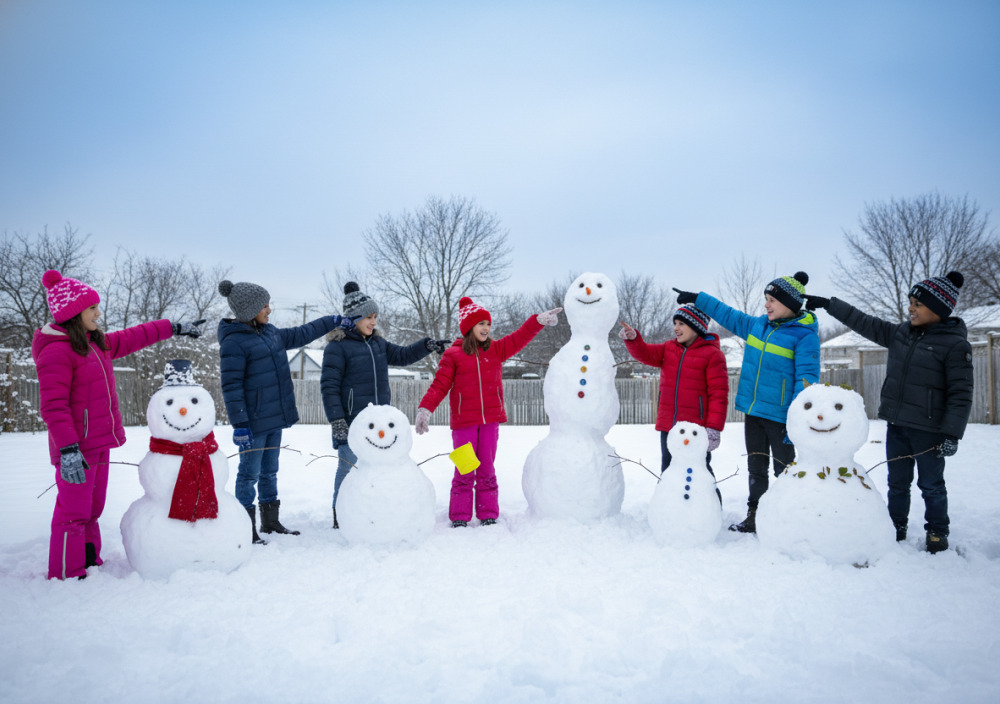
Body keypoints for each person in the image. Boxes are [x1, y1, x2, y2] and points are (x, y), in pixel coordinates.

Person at [32, 269, 204, 580]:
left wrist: (173, 327)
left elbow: (134, 336)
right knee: (72, 512)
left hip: (98, 442)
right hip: (76, 448)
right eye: (92, 308)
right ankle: (66, 573)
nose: (98, 313)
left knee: (92, 508)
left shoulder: (95, 344)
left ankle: (87, 559)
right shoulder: (56, 352)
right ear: (73, 313)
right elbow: (53, 407)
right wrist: (69, 449)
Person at [804, 272, 972, 554]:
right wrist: (830, 304)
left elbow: (961, 393)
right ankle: (896, 525)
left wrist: (952, 433)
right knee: (897, 482)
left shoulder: (955, 345)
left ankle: (937, 531)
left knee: (931, 484)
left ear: (939, 308)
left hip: (929, 430)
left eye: (918, 304)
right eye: (910, 303)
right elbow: (863, 321)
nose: (911, 308)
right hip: (897, 425)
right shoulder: (900, 334)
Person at [674, 271, 820, 533]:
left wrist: (796, 418)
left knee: (784, 469)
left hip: (782, 416)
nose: (766, 305)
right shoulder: (757, 325)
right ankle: (755, 514)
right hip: (754, 411)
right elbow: (728, 315)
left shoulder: (804, 336)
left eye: (772, 300)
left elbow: (806, 381)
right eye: (766, 299)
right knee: (756, 467)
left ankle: (791, 517)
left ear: (789, 304)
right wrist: (699, 299)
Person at [217, 279, 354, 543]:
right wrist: (240, 424)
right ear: (248, 310)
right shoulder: (234, 342)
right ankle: (245, 529)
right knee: (249, 475)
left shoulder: (270, 333)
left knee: (270, 471)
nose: (269, 309)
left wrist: (333, 319)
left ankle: (270, 522)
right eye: (264, 305)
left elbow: (304, 332)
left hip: (274, 419)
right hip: (253, 423)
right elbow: (231, 387)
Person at [415, 297, 560, 527]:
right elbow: (440, 385)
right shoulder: (453, 355)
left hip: (490, 421)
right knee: (465, 468)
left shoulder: (496, 350)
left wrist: (538, 321)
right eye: (480, 323)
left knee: (486, 468)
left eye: (488, 324)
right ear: (468, 327)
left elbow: (520, 337)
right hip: (464, 424)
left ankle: (488, 513)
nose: (485, 328)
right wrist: (425, 408)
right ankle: (460, 516)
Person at [321, 282, 450, 528]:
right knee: (348, 467)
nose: (373, 322)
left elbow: (402, 355)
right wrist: (337, 421)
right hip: (352, 421)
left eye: (375, 317)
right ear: (354, 318)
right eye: (369, 317)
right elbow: (329, 386)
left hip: (379, 422)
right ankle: (341, 515)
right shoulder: (337, 347)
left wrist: (427, 345)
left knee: (377, 469)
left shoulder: (378, 344)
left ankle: (373, 512)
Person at [619, 304, 729, 491]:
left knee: (700, 472)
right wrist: (634, 339)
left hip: (695, 429)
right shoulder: (669, 348)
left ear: (696, 326)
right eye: (675, 323)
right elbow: (645, 353)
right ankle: (668, 512)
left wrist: (713, 428)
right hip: (669, 425)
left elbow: (719, 393)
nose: (676, 328)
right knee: (669, 470)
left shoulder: (713, 355)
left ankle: (710, 511)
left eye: (682, 324)